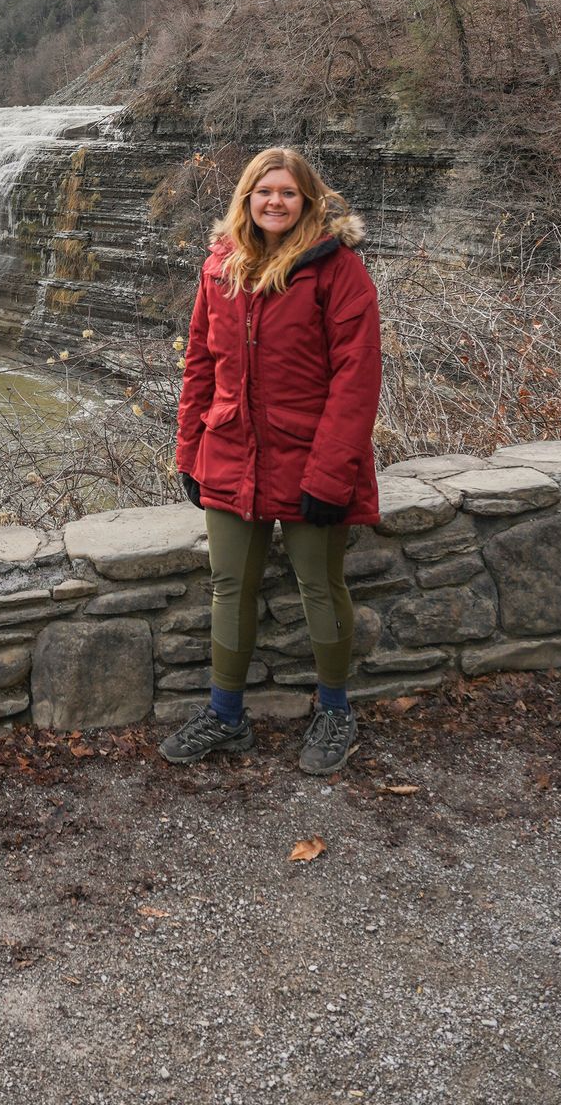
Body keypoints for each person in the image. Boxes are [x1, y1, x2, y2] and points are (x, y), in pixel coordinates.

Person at [158, 147, 381, 775]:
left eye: (287, 192)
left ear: (307, 200)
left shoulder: (338, 272)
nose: (274, 201)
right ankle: (226, 716)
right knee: (230, 586)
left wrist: (332, 472)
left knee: (319, 584)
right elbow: (200, 363)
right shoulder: (221, 266)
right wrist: (189, 450)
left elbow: (356, 379)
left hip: (313, 455)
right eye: (264, 191)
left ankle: (335, 710)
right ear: (247, 199)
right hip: (230, 450)